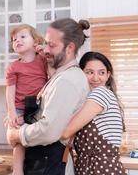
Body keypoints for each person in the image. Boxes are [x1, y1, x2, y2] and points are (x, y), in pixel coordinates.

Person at [7, 18, 90, 174]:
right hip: (43, 162)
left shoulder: (67, 81)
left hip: (51, 163)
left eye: (51, 45)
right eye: (45, 43)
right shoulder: (58, 76)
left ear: (69, 48)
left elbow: (48, 131)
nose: (45, 50)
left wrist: (15, 134)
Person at [62, 51, 126, 175]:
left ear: (108, 75)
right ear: (81, 74)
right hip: (88, 168)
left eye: (101, 73)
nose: (96, 78)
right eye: (89, 72)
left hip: (101, 169)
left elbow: (65, 132)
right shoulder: (89, 99)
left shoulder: (101, 93)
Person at [5, 24, 48, 175]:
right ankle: (17, 171)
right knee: (18, 141)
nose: (17, 40)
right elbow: (10, 91)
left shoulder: (42, 60)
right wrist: (11, 113)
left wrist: (42, 51)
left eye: (23, 37)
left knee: (37, 137)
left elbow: (54, 74)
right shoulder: (13, 67)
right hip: (20, 107)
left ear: (35, 41)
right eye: (14, 39)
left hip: (39, 107)